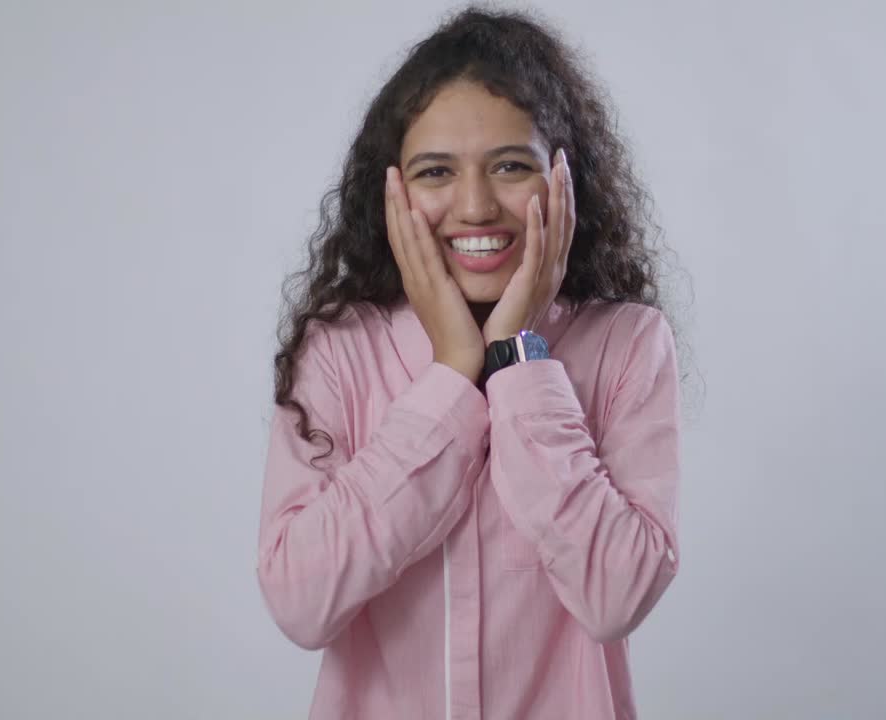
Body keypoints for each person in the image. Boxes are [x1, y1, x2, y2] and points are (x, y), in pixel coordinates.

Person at [257, 7, 683, 719]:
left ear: (563, 177)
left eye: (511, 166)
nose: (477, 206)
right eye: (436, 172)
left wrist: (517, 358)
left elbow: (616, 595)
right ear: (391, 190)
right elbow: (301, 604)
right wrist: (453, 374)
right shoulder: (338, 350)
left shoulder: (629, 344)